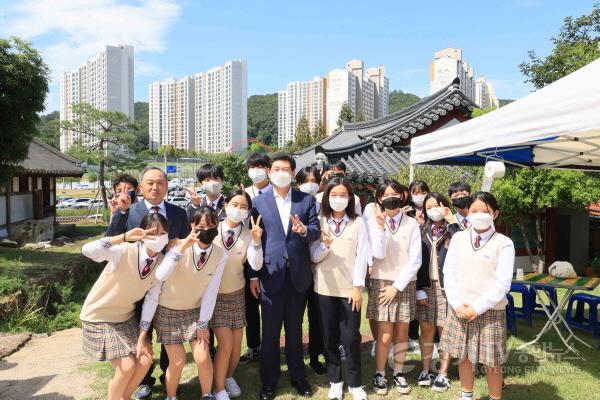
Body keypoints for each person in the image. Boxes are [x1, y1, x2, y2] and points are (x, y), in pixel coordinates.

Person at [105, 166, 190, 400]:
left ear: (167, 186)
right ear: (140, 187)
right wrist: (120, 214)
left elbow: (186, 244)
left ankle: (168, 376)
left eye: (160, 183)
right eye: (150, 183)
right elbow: (110, 241)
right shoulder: (129, 211)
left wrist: (180, 244)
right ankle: (144, 381)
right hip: (137, 285)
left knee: (169, 335)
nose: (155, 187)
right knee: (141, 334)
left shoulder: (178, 213)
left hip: (170, 284)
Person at [249, 153, 320, 400]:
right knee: (269, 333)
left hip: (298, 275)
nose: (281, 172)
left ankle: (298, 376)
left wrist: (304, 230)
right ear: (269, 172)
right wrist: (253, 276)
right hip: (270, 274)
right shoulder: (257, 202)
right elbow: (254, 239)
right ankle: (269, 381)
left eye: (286, 168)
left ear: (292, 173)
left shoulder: (306, 200)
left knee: (294, 330)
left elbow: (315, 231)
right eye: (276, 168)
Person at [143, 206, 228, 400]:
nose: (206, 230)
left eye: (211, 226)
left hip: (194, 312)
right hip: (168, 311)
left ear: (217, 227)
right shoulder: (176, 247)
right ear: (192, 226)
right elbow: (161, 275)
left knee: (203, 356)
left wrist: (203, 323)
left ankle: (207, 395)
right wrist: (181, 248)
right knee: (178, 360)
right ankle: (171, 396)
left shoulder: (220, 255)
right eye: (200, 226)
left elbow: (211, 291)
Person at [80, 213, 168, 400]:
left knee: (144, 360)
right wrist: (123, 237)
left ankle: (124, 397)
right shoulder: (124, 250)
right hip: (99, 315)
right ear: (143, 233)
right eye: (153, 233)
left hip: (124, 317)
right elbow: (88, 250)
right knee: (126, 365)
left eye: (163, 233)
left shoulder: (161, 262)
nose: (158, 238)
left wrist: (143, 336)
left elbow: (152, 299)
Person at [440, 192, 515, 400]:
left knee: (492, 361)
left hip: (490, 310)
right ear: (468, 213)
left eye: (485, 211)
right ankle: (466, 394)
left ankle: (494, 396)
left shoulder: (504, 243)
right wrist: (457, 305)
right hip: (461, 308)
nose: (479, 215)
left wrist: (477, 308)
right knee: (464, 356)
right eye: (475, 211)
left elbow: (502, 284)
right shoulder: (458, 238)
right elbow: (449, 273)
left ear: (495, 213)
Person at [310, 177, 371, 400]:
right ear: (326, 197)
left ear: (351, 198)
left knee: (351, 337)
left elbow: (362, 256)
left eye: (343, 195)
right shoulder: (319, 221)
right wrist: (326, 245)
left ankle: (355, 384)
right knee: (330, 337)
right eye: (333, 195)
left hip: (349, 290)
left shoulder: (359, 223)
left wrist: (357, 287)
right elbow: (313, 256)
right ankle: (335, 380)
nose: (338, 199)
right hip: (324, 287)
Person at [368, 179, 422, 395]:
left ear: (402, 196)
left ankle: (399, 373)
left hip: (404, 283)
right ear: (380, 199)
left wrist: (397, 286)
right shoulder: (372, 223)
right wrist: (380, 228)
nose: (391, 197)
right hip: (381, 281)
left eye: (395, 193)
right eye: (386, 194)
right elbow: (376, 254)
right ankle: (380, 374)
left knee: (402, 333)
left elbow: (415, 259)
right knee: (384, 335)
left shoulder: (412, 224)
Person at [211, 190, 264, 400]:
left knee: (235, 347)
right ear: (225, 204)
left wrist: (257, 242)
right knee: (225, 345)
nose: (239, 210)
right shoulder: (212, 228)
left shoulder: (249, 234)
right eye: (235, 204)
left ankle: (228, 377)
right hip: (213, 297)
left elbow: (256, 264)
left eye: (244, 207)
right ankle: (218, 389)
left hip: (235, 295)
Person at [414, 192, 459, 392]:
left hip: (446, 288)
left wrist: (452, 222)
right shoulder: (421, 230)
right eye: (429, 206)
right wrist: (418, 289)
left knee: (445, 331)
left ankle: (443, 373)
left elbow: (464, 247)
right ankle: (425, 370)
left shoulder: (454, 230)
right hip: (426, 287)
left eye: (437, 206)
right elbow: (414, 261)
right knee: (426, 331)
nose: (433, 210)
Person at [240, 153, 271, 365]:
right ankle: (254, 346)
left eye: (261, 166)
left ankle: (271, 346)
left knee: (271, 306)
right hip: (248, 260)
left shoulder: (277, 193)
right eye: (253, 167)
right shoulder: (244, 195)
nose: (256, 171)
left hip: (271, 259)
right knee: (251, 307)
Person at [296, 166, 326, 375]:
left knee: (317, 317)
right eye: (306, 181)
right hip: (297, 270)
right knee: (295, 317)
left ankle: (316, 356)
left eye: (314, 180)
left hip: (321, 270)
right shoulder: (294, 204)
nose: (310, 184)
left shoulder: (326, 205)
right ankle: (296, 356)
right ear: (298, 184)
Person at [406, 180, 430, 354]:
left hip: (430, 262)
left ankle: (433, 339)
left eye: (422, 192)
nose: (418, 195)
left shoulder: (434, 211)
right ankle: (412, 336)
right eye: (415, 192)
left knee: (428, 303)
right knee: (412, 301)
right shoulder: (406, 212)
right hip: (411, 262)